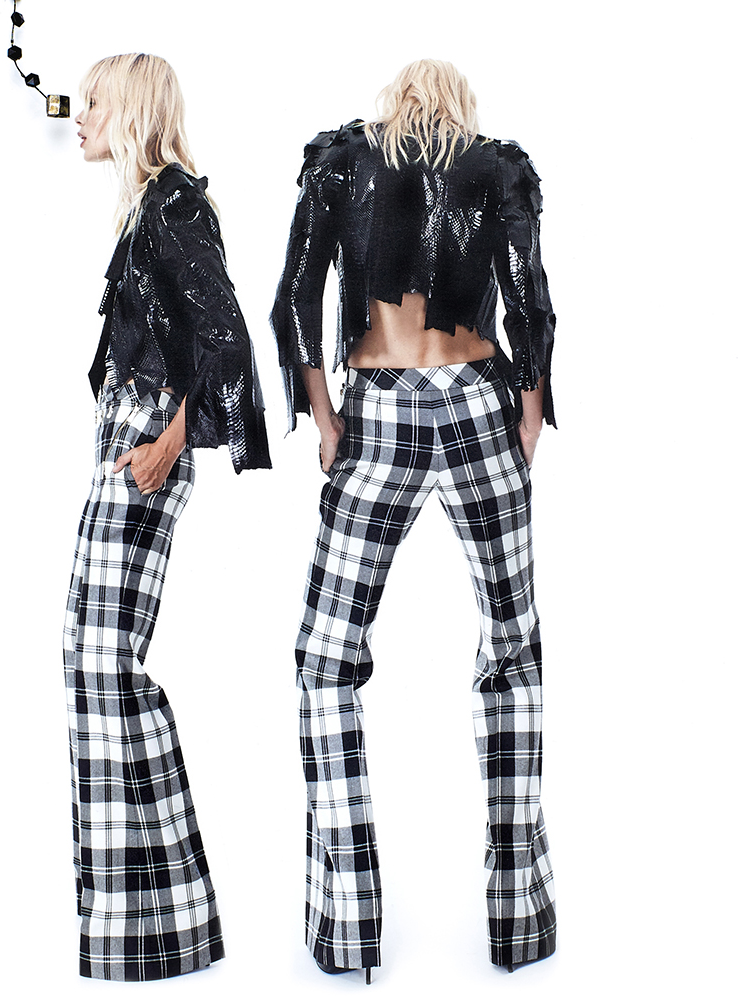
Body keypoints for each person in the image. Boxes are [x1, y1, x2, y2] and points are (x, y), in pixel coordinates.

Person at [271, 59, 556, 979]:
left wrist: (325, 420)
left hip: (380, 408)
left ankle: (347, 923)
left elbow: (293, 301)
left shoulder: (343, 161)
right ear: (460, 109)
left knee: (327, 657)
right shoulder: (495, 166)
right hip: (478, 402)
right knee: (512, 649)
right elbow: (530, 301)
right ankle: (519, 926)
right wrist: (526, 417)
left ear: (391, 105)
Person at [63, 53, 270, 982]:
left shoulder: (176, 204)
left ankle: (160, 918)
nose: (81, 116)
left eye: (94, 103)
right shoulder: (153, 205)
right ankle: (140, 922)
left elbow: (227, 335)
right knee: (91, 658)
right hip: (132, 429)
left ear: (134, 110)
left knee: (103, 661)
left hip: (146, 437)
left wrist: (170, 440)